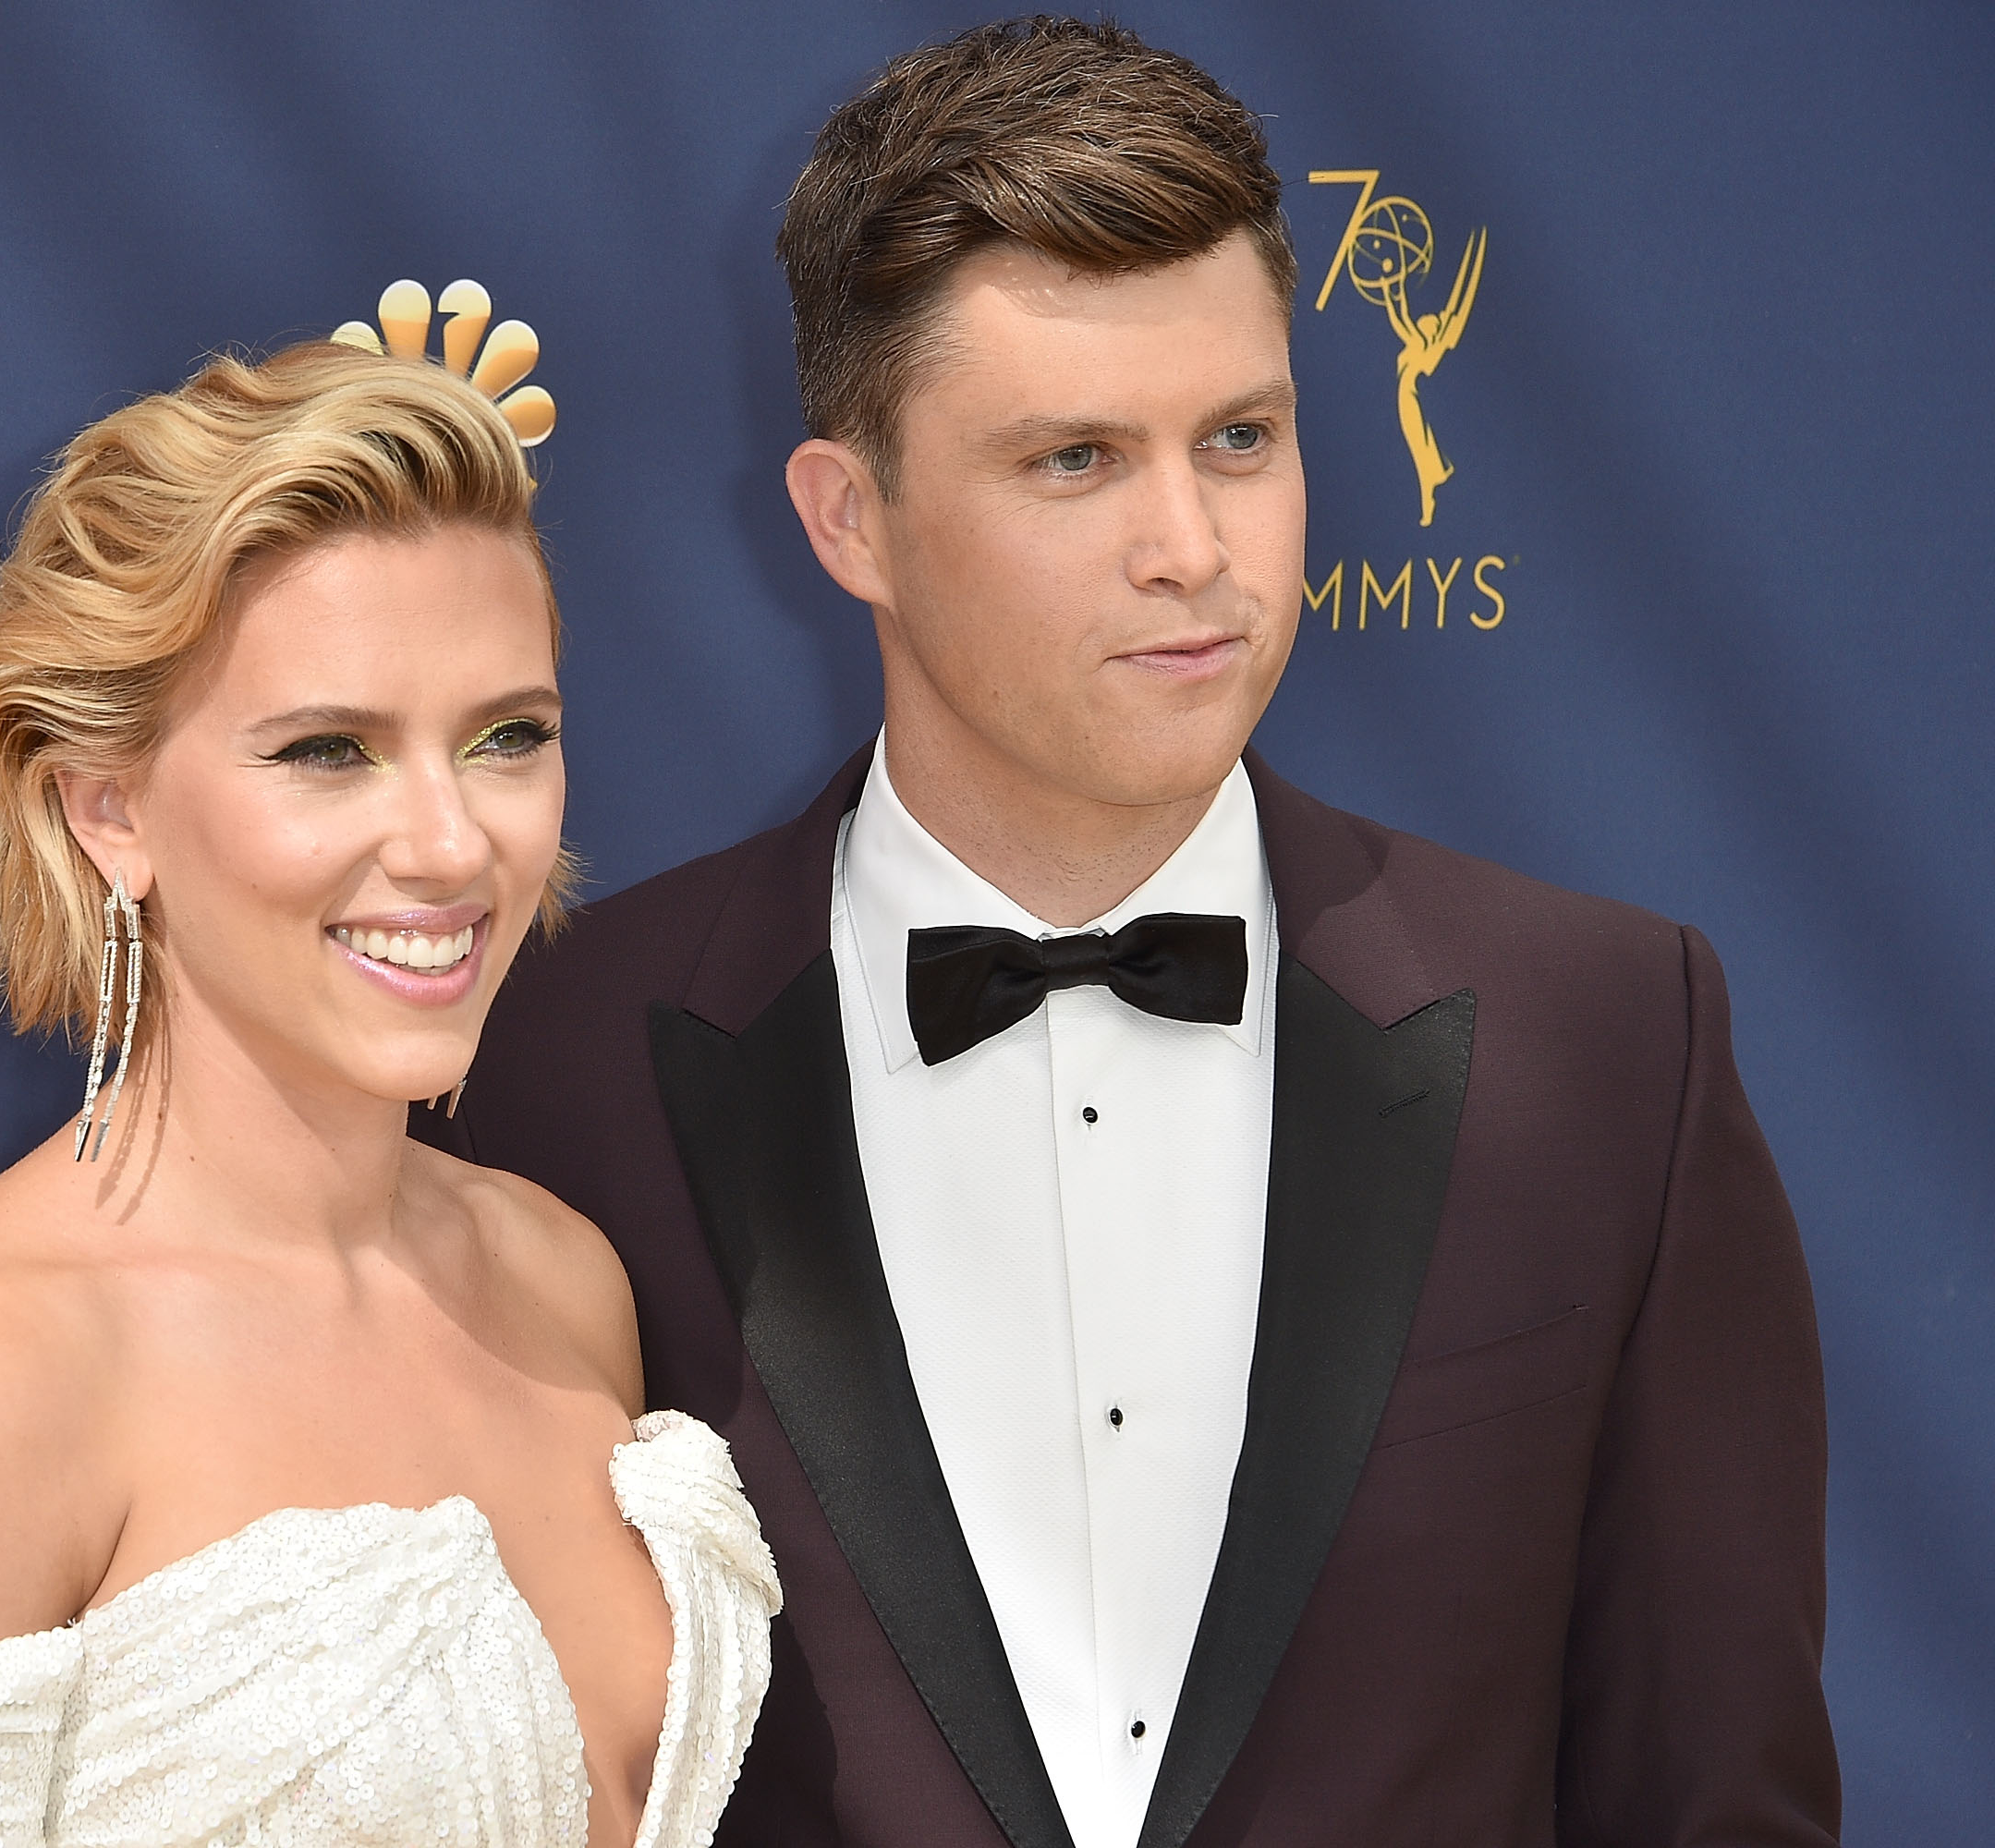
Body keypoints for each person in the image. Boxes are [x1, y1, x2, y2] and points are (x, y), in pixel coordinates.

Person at [419, 19, 1839, 1848]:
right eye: (1077, 459)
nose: (1193, 545)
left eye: (1241, 438)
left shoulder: (1615, 1041)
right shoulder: (548, 1070)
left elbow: (1714, 1793)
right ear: (852, 520)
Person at [0, 343, 779, 1848]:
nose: (450, 844)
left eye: (507, 738)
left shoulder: (561, 1275)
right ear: (107, 809)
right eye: (329, 752)